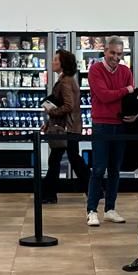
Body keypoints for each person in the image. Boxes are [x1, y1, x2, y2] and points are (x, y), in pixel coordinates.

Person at [86, 36, 135, 227]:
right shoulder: (95, 69)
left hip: (120, 125)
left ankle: (110, 209)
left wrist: (134, 114)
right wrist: (126, 89)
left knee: (115, 169)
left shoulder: (125, 71)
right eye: (113, 53)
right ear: (105, 51)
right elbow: (104, 96)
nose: (116, 57)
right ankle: (91, 210)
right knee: (98, 169)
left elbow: (130, 99)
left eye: (119, 54)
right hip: (101, 124)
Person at [39, 49, 88, 204]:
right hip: (68, 127)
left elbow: (68, 105)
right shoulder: (66, 79)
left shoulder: (66, 81)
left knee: (63, 160)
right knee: (70, 159)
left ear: (63, 63)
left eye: (56, 60)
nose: (52, 62)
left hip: (66, 128)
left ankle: (49, 194)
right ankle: (94, 189)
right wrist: (48, 123)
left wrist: (51, 112)